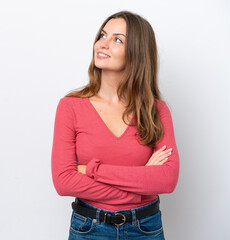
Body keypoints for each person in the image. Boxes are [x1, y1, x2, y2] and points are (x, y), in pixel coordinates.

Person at [51, 10, 179, 240]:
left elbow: (167, 179)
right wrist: (140, 185)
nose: (103, 44)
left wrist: (92, 170)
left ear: (136, 53)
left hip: (145, 228)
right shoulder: (70, 107)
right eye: (102, 35)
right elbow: (64, 181)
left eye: (117, 39)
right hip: (89, 228)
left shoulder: (156, 111)